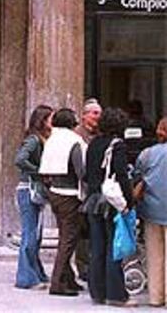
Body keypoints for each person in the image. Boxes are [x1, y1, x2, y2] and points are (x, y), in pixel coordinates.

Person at [84, 107, 135, 307]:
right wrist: (128, 202)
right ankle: (115, 294)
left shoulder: (94, 143)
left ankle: (97, 292)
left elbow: (87, 174)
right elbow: (122, 176)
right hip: (111, 202)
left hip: (93, 200)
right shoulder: (118, 145)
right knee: (114, 246)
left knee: (97, 247)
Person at [39, 107, 86, 297]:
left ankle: (69, 278)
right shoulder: (74, 141)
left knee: (65, 236)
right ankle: (57, 282)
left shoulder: (52, 139)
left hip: (55, 192)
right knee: (68, 239)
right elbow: (81, 171)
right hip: (70, 193)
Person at [14, 104, 54, 290]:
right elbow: (20, 159)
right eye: (50, 118)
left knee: (35, 235)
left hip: (31, 189)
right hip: (27, 190)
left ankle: (36, 273)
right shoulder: (34, 140)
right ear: (43, 120)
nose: (53, 122)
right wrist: (38, 171)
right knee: (30, 235)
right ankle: (26, 278)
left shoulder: (41, 139)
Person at [135, 116, 167, 308]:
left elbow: (137, 175)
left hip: (151, 209)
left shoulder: (147, 154)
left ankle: (156, 296)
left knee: (154, 254)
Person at [74, 98, 103, 281]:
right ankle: (83, 267)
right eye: (94, 113)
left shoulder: (99, 134)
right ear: (84, 115)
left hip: (97, 189)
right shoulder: (77, 135)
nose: (98, 117)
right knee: (82, 230)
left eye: (99, 113)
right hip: (82, 189)